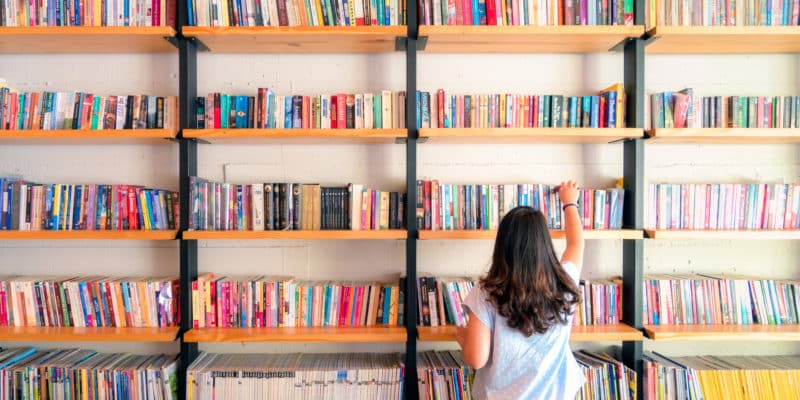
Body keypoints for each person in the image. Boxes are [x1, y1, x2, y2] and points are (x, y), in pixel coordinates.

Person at [456, 180, 585, 400]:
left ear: (502, 245)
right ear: (544, 244)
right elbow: (576, 244)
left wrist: (461, 335)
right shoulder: (565, 283)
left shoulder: (487, 292)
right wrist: (569, 204)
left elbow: (476, 358)